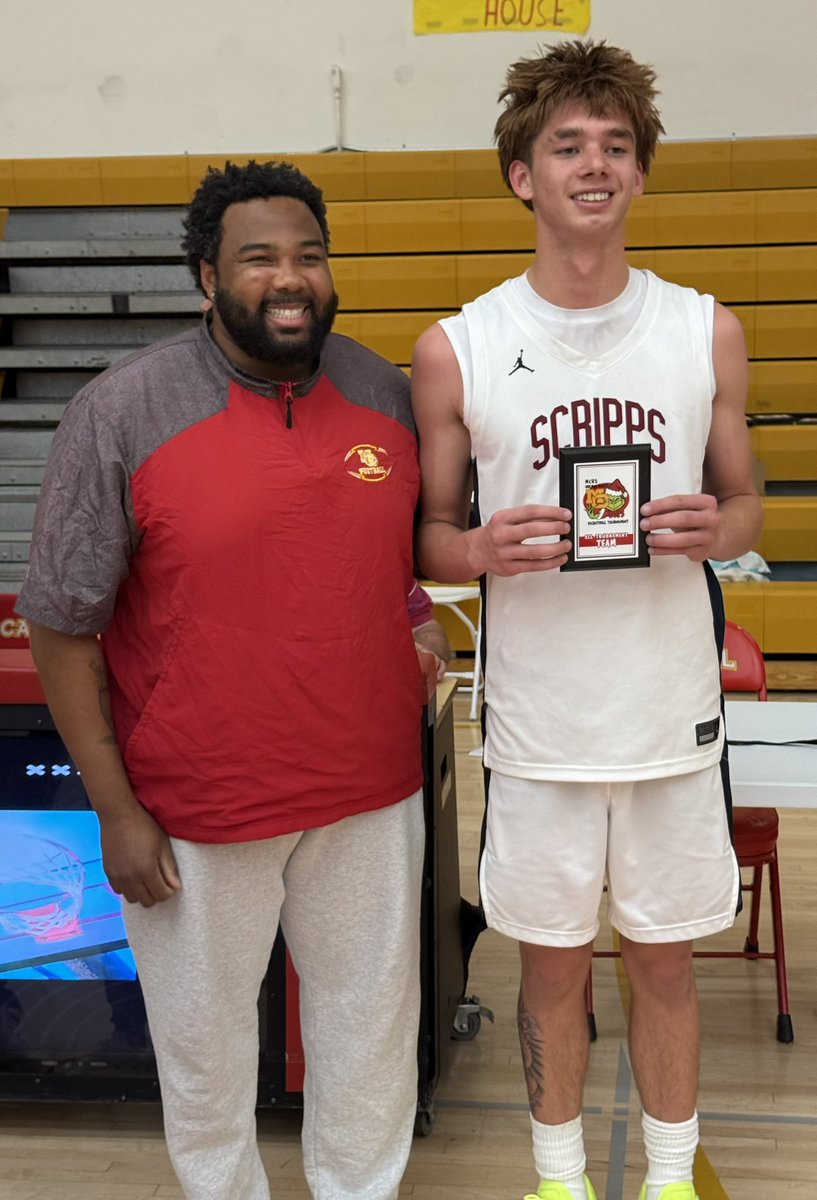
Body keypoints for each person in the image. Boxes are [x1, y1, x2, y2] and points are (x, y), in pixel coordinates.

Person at [16, 159, 449, 1200]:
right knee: (206, 1061)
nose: (290, 278)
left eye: (309, 254)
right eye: (259, 259)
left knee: (369, 1044)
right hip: (196, 809)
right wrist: (114, 810)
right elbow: (60, 626)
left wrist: (416, 628)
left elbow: (393, 569)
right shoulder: (121, 412)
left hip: (367, 794)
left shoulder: (387, 394)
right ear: (207, 278)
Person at [411, 40, 762, 1200]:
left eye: (616, 145)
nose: (594, 164)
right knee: (550, 970)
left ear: (641, 174)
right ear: (522, 174)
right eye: (567, 145)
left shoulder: (703, 329)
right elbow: (426, 536)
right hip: (539, 726)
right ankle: (557, 1180)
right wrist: (474, 551)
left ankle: (668, 1180)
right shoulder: (456, 346)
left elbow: (747, 497)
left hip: (668, 712)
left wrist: (717, 528)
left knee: (664, 964)